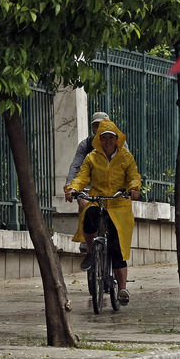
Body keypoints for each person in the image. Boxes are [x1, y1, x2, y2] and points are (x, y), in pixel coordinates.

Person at [65, 119, 141, 305]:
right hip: (97, 199)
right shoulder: (91, 157)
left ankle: (122, 288)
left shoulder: (126, 157)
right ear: (99, 139)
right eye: (104, 137)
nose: (107, 141)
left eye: (111, 138)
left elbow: (133, 175)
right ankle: (92, 251)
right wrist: (72, 188)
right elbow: (82, 176)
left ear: (117, 139)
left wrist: (133, 188)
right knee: (88, 218)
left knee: (117, 246)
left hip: (119, 204)